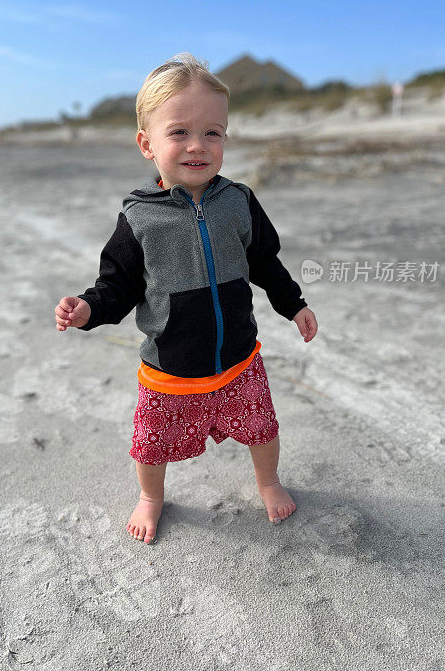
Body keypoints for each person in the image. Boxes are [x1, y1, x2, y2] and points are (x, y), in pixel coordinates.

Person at [54, 52, 318, 544]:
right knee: (151, 445)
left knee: (262, 428)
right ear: (146, 144)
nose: (197, 146)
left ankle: (268, 481)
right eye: (179, 132)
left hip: (239, 359)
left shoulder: (238, 201)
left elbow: (265, 262)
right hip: (170, 368)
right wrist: (89, 309)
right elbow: (117, 285)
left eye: (212, 132)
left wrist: (294, 305)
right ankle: (151, 497)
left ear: (225, 138)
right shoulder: (140, 219)